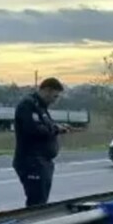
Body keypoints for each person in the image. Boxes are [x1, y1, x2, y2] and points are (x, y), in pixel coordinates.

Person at [13, 77, 68, 207]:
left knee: (41, 199)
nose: (55, 100)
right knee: (36, 202)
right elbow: (34, 129)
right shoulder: (28, 105)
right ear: (46, 91)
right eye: (55, 96)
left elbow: (46, 125)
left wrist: (57, 126)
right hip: (31, 161)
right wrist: (55, 129)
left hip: (43, 161)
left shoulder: (41, 107)